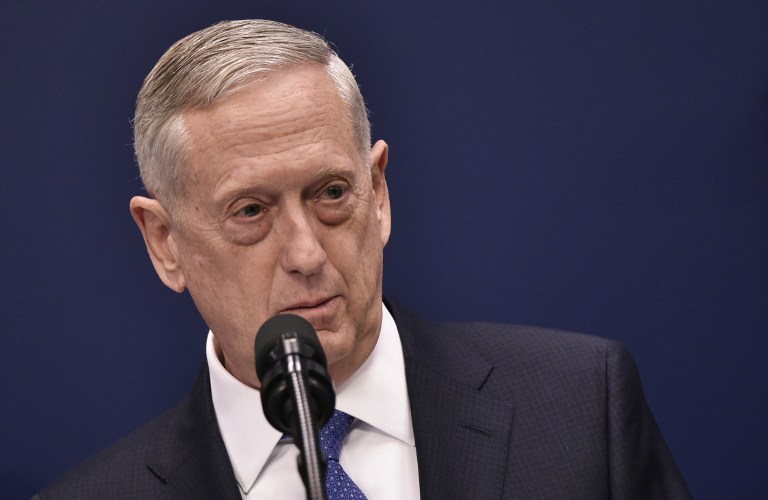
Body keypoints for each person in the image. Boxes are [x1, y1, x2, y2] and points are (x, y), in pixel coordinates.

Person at [36, 19, 692, 499]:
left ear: (377, 193)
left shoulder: (581, 409)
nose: (306, 254)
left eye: (330, 194)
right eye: (251, 211)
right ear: (165, 243)